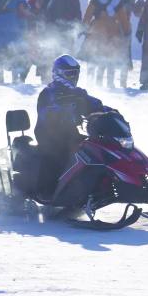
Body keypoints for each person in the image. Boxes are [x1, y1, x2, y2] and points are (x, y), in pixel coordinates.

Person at [34, 54, 111, 195]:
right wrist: (63, 110)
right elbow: (48, 114)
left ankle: (94, 186)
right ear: (58, 73)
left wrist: (109, 112)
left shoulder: (77, 93)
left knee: (96, 149)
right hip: (49, 135)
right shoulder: (49, 93)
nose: (74, 77)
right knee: (57, 154)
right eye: (70, 73)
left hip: (69, 134)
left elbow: (94, 104)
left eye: (76, 73)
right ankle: (46, 191)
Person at [80, 0, 131, 88]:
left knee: (110, 59)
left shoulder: (118, 1)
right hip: (96, 32)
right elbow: (88, 15)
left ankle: (110, 83)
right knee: (94, 58)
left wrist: (126, 30)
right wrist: (84, 27)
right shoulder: (96, 0)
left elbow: (123, 17)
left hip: (113, 33)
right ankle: (92, 82)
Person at [39, 0, 82, 83]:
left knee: (64, 57)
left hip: (65, 33)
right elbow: (42, 10)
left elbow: (77, 15)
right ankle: (46, 79)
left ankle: (64, 80)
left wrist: (76, 29)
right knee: (48, 55)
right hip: (50, 31)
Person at [116, 0, 145, 88]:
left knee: (125, 56)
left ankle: (123, 81)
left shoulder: (130, 0)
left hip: (126, 29)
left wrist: (140, 3)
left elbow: (137, 13)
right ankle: (108, 80)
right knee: (108, 53)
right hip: (111, 28)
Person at [27, 0, 55, 83]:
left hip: (49, 32)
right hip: (35, 31)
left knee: (47, 57)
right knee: (30, 57)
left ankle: (46, 79)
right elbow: (29, 12)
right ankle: (21, 78)